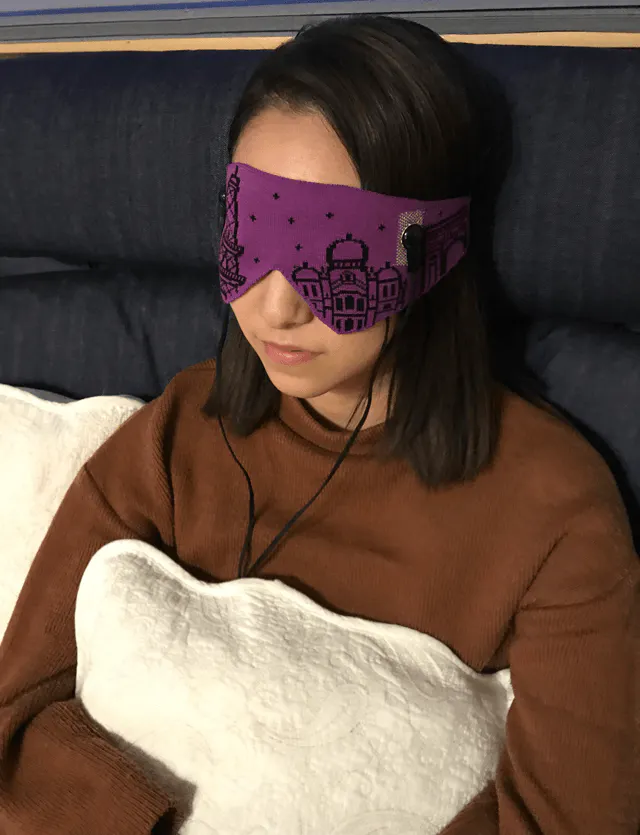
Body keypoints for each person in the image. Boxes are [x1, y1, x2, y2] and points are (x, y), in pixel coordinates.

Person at [0, 13, 637, 835]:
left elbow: (564, 819)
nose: (276, 307)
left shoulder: (556, 511)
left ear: (436, 249)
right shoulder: (178, 435)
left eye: (337, 248)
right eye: (253, 235)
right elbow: (15, 710)